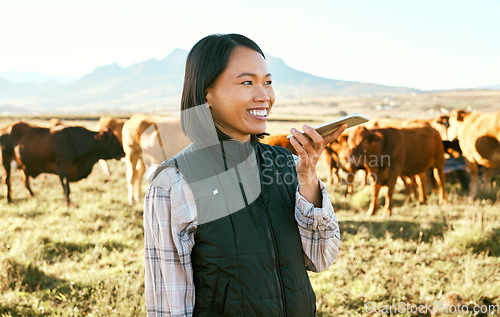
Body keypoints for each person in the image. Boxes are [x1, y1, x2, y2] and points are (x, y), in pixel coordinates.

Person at [143, 33, 346, 317]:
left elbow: (322, 258)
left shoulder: (287, 163)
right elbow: (168, 304)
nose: (264, 96)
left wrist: (308, 179)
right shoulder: (175, 182)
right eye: (247, 82)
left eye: (268, 82)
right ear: (206, 94)